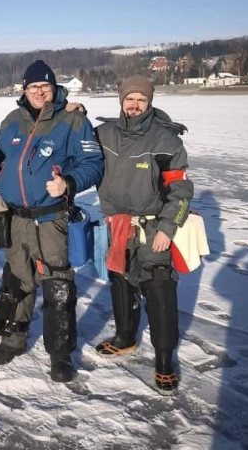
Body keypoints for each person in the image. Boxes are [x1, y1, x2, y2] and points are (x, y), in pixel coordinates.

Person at [0, 60, 103, 382]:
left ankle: (61, 353)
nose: (39, 92)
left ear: (54, 88)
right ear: (24, 90)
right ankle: (12, 340)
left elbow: (93, 163)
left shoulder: (72, 121)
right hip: (15, 217)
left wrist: (69, 183)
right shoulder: (12, 120)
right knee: (16, 280)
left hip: (51, 219)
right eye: (33, 87)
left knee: (58, 285)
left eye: (45, 86)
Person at [93, 74, 193, 395]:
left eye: (141, 100)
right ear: (121, 101)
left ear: (149, 102)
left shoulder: (166, 140)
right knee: (121, 281)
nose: (135, 105)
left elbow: (181, 192)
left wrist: (167, 228)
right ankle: (125, 338)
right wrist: (72, 111)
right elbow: (76, 150)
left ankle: (164, 360)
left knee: (159, 288)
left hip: (153, 228)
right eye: (130, 99)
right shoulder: (103, 134)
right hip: (118, 224)